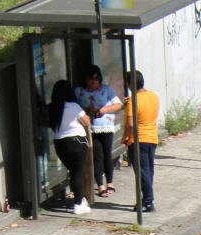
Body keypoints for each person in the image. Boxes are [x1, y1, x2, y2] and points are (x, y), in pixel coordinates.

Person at [75, 65, 122, 198]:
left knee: (107, 154)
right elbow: (74, 106)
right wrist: (87, 110)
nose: (94, 81)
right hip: (91, 128)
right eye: (91, 78)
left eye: (96, 78)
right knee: (97, 156)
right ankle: (100, 185)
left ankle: (110, 182)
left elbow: (118, 104)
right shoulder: (80, 91)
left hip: (106, 126)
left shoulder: (106, 89)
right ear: (86, 79)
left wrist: (103, 110)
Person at [47, 80, 92, 215]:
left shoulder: (52, 107)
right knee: (78, 172)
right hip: (77, 141)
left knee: (73, 172)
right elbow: (86, 121)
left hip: (60, 143)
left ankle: (80, 199)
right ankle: (78, 204)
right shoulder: (73, 106)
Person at [122, 70, 160, 213]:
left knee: (142, 172)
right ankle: (146, 200)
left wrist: (125, 136)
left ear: (130, 84)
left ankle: (148, 202)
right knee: (148, 170)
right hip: (152, 138)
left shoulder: (133, 101)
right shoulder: (153, 95)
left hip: (138, 139)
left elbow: (131, 124)